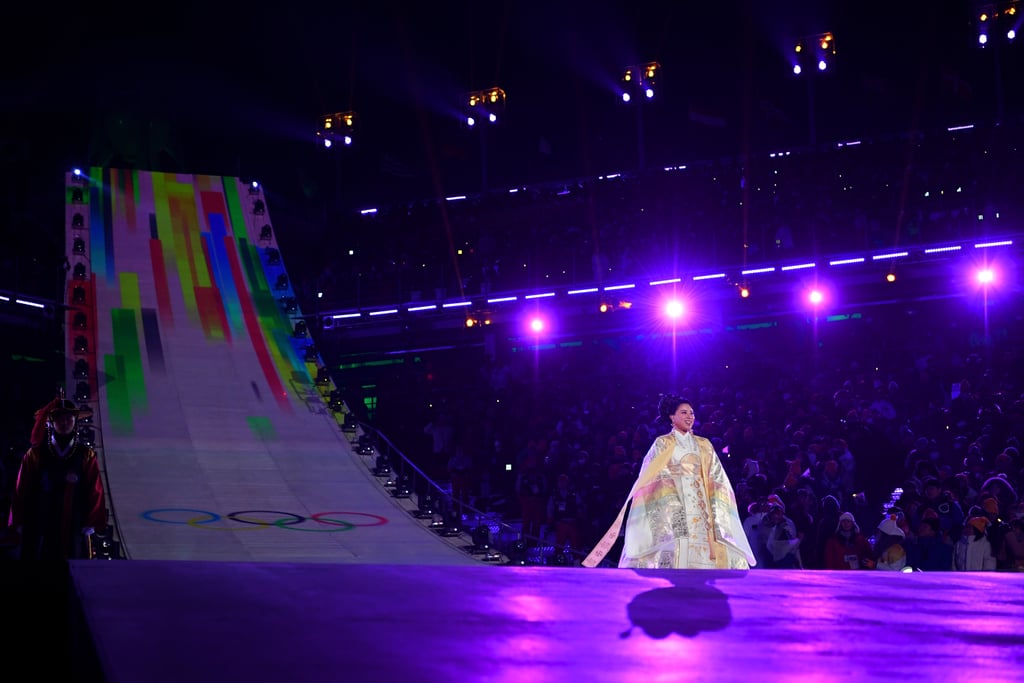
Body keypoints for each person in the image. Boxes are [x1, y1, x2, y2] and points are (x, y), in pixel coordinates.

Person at [583, 394, 755, 569]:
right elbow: (656, 476)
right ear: (672, 417)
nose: (690, 416)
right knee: (675, 544)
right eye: (684, 412)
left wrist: (714, 498)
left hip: (702, 503)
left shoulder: (704, 444)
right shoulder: (662, 444)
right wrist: (673, 503)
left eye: (692, 413)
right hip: (675, 502)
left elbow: (717, 476)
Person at [8, 397, 107, 560]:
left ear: (75, 422)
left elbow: (94, 488)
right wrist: (18, 520)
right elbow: (21, 488)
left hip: (74, 519)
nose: (65, 422)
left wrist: (92, 521)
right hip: (40, 518)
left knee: (72, 567)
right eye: (60, 418)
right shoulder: (35, 454)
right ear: (50, 423)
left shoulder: (86, 454)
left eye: (69, 418)